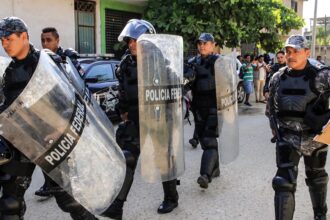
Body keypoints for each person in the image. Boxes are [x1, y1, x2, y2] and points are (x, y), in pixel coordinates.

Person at [0, 16, 97, 220]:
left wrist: (60, 127)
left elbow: (71, 98)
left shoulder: (47, 62)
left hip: (53, 141)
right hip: (21, 143)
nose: (4, 44)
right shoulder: (8, 73)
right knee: (10, 204)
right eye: (2, 40)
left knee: (69, 200)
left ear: (24, 36)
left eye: (8, 38)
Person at [101, 19, 179, 220]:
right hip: (135, 120)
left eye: (135, 40)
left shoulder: (159, 61)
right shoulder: (126, 64)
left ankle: (171, 197)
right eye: (129, 41)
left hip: (157, 119)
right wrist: (122, 110)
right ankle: (117, 206)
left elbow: (174, 87)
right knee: (128, 159)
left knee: (163, 160)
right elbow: (123, 92)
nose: (131, 44)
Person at [267, 35, 330, 220]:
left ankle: (320, 214)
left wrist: (327, 121)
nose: (291, 55)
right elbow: (271, 106)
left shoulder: (323, 75)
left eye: (296, 51)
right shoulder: (278, 77)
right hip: (288, 137)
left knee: (316, 178)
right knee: (283, 182)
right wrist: (274, 127)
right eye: (288, 51)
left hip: (315, 138)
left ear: (307, 52)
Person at [34, 27, 83, 198]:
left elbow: (79, 85)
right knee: (47, 151)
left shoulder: (66, 60)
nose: (45, 43)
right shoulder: (40, 60)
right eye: (43, 40)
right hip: (49, 114)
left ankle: (74, 184)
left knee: (69, 152)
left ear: (57, 40)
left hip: (66, 114)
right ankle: (50, 185)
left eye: (49, 40)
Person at [184, 33, 220, 189]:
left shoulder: (219, 62)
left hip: (214, 107)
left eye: (205, 43)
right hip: (198, 107)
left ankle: (205, 175)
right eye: (199, 43)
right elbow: (183, 82)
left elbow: (228, 85)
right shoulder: (192, 63)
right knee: (207, 139)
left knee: (208, 140)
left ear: (213, 45)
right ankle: (215, 169)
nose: (202, 46)